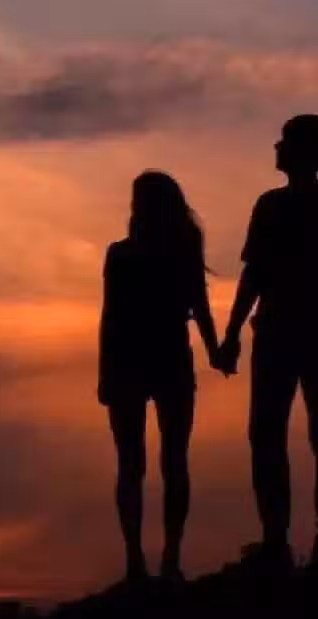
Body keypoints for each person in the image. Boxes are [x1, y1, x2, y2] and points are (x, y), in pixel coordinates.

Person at [219, 115, 318, 575]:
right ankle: (305, 542)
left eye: (284, 141)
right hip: (304, 334)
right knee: (310, 435)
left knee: (297, 435)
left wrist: (232, 333)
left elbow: (256, 276)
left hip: (288, 333)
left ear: (301, 151)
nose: (276, 147)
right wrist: (234, 332)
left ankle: (300, 542)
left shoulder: (284, 206)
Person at [99, 170, 222, 584]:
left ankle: (143, 561)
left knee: (135, 464)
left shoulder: (123, 254)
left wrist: (105, 373)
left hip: (133, 362)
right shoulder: (179, 251)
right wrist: (215, 351)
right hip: (167, 360)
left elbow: (111, 317)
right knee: (169, 462)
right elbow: (200, 307)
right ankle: (164, 559)